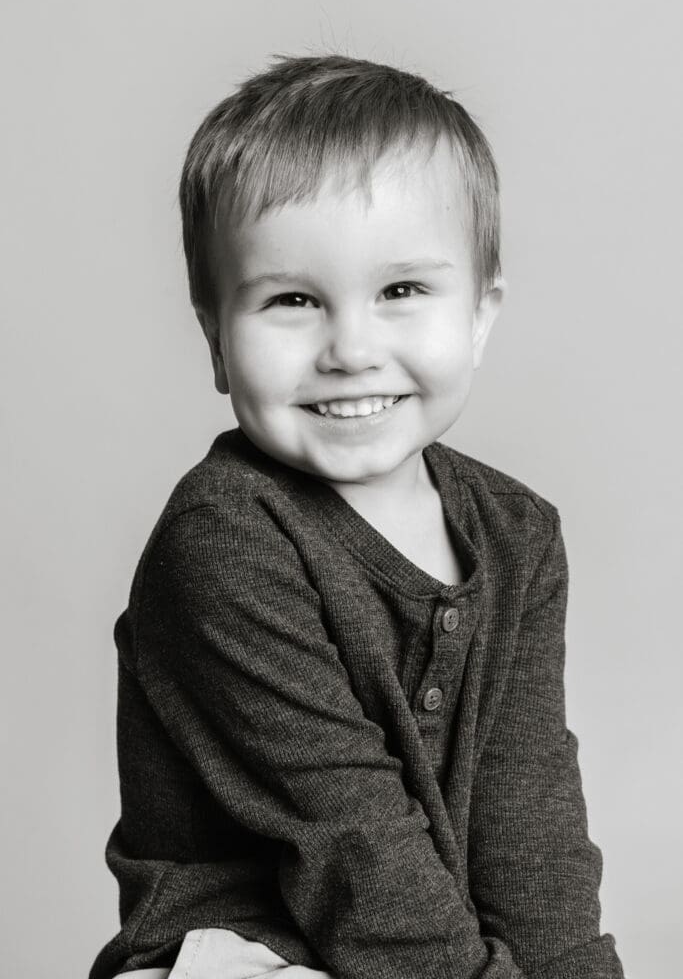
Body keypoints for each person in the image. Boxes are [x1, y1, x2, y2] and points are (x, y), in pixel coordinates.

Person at [90, 54, 625, 979]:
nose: (350, 348)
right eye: (293, 300)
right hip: (248, 953)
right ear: (217, 339)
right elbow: (349, 844)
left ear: (480, 316)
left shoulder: (518, 534)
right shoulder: (225, 540)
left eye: (401, 291)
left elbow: (529, 822)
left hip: (430, 948)